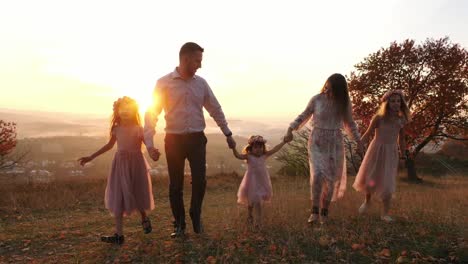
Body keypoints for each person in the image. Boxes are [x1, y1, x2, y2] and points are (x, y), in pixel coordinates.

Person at [144, 42, 236, 238]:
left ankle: (196, 214)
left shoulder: (201, 83)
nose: (200, 65)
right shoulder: (163, 83)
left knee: (200, 181)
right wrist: (150, 145)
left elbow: (215, 108)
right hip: (174, 140)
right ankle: (179, 223)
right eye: (197, 60)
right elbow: (151, 114)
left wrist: (227, 133)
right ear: (185, 59)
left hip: (196, 139)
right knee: (175, 185)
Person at [284, 73, 363, 224]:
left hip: (335, 143)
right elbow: (304, 115)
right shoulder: (317, 99)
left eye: (331, 89)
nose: (327, 91)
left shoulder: (344, 103)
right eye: (326, 87)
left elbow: (350, 124)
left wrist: (358, 141)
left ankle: (325, 212)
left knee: (331, 179)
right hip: (317, 141)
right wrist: (291, 128)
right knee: (318, 175)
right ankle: (314, 212)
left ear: (339, 90)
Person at [78, 96, 155, 245]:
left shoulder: (138, 129)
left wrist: (153, 151)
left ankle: (144, 217)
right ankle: (119, 235)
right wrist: (91, 157)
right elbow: (109, 145)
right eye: (123, 110)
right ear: (117, 112)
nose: (125, 112)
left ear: (134, 112)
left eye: (129, 110)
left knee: (136, 193)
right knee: (118, 196)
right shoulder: (116, 129)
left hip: (136, 165)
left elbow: (149, 145)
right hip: (120, 165)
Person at [353, 89, 411, 222]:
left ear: (401, 103)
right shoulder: (379, 118)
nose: (396, 104)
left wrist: (403, 156)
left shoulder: (401, 120)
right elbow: (367, 133)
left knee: (388, 181)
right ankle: (367, 201)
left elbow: (401, 139)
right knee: (371, 176)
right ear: (387, 102)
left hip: (391, 152)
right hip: (376, 149)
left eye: (398, 101)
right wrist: (360, 144)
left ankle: (385, 213)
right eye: (392, 101)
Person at [232, 135, 289, 227]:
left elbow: (275, 149)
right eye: (255, 147)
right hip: (251, 181)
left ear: (263, 148)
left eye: (260, 147)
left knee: (258, 200)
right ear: (251, 148)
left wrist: (284, 142)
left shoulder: (264, 155)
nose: (258, 149)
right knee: (251, 200)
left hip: (262, 181)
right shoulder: (249, 156)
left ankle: (258, 222)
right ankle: (250, 215)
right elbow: (238, 156)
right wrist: (233, 148)